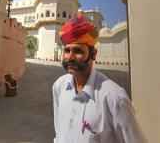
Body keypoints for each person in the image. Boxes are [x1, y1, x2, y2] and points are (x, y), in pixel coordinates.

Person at [53, 12, 147, 143]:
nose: (70, 57)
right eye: (67, 50)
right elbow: (59, 130)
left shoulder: (114, 97)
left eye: (78, 51)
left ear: (93, 54)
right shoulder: (59, 86)